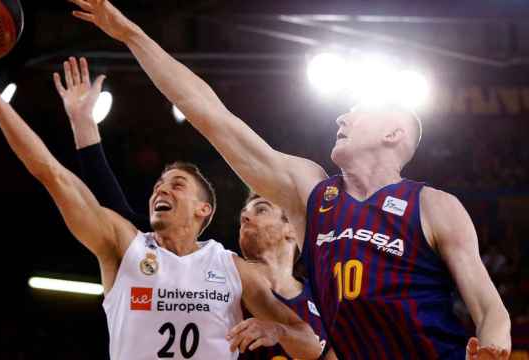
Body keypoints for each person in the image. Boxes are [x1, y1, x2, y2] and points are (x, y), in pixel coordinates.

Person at [67, 0, 512, 358]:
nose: (342, 115)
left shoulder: (433, 205)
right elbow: (212, 116)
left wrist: (493, 348)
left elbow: (491, 309)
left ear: (393, 133)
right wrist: (131, 34)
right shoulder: (312, 192)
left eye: (358, 111)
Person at [0, 43, 322, 360]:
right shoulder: (124, 247)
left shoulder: (235, 271)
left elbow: (312, 348)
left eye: (177, 184)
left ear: (204, 209)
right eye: (158, 185)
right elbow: (51, 173)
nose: (161, 190)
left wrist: (275, 329)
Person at [56, 57, 336, 359]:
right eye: (245, 210)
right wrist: (84, 125)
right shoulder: (219, 269)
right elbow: (115, 217)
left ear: (292, 229)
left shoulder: (322, 295)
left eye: (262, 208)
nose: (245, 215)